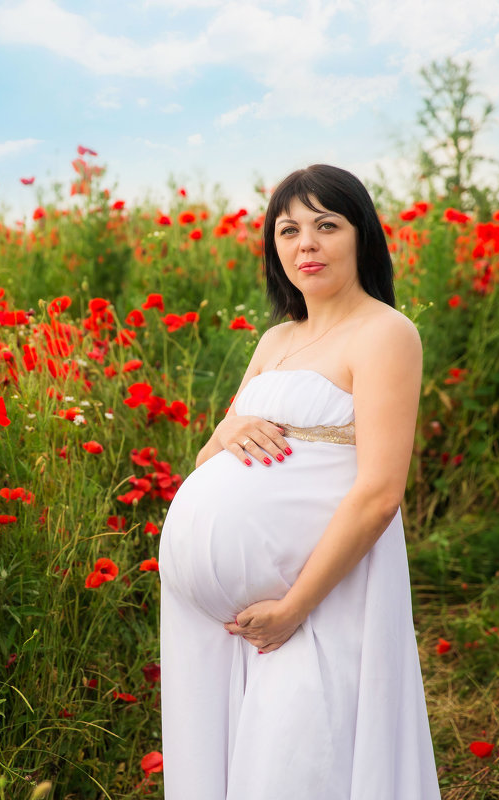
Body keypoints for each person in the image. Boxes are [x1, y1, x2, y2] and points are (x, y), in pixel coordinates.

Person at [157, 164, 441, 799]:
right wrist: (229, 430)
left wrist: (294, 607)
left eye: (325, 225)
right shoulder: (275, 339)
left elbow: (380, 492)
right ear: (274, 247)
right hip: (217, 619)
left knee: (299, 766)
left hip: (317, 599)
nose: (305, 243)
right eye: (288, 230)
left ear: (362, 236)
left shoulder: (385, 333)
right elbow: (210, 458)